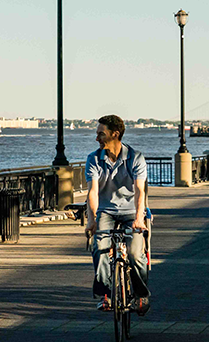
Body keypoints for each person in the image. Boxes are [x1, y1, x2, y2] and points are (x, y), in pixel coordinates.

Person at [85, 115, 150, 316]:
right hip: (106, 211)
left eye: (101, 134)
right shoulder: (94, 159)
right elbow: (92, 192)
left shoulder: (135, 158)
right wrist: (92, 220)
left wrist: (139, 218)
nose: (97, 138)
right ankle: (106, 294)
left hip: (132, 212)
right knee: (99, 247)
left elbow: (140, 191)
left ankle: (141, 295)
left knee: (134, 254)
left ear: (115, 134)